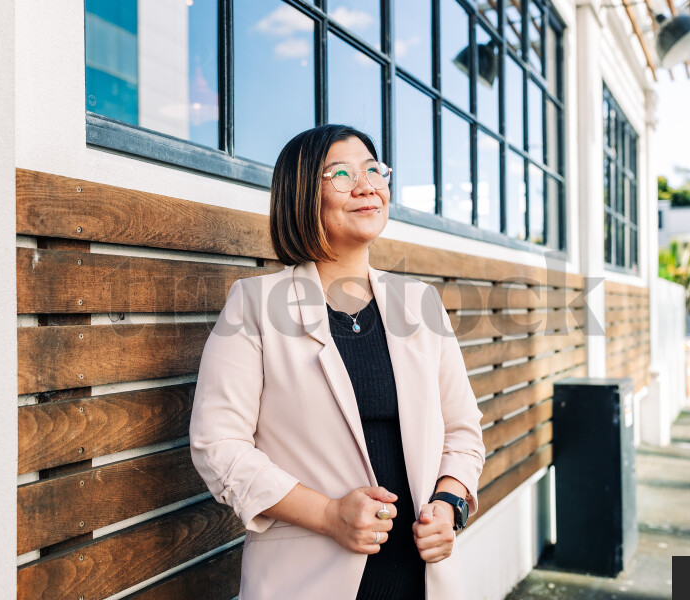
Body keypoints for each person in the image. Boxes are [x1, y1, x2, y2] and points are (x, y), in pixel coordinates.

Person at [189, 124, 485, 600]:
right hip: (305, 579)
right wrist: (328, 514)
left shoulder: (421, 302)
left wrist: (450, 505)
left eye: (374, 169)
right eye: (342, 174)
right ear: (303, 194)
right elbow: (218, 445)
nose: (367, 184)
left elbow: (463, 429)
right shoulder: (255, 303)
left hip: (420, 578)